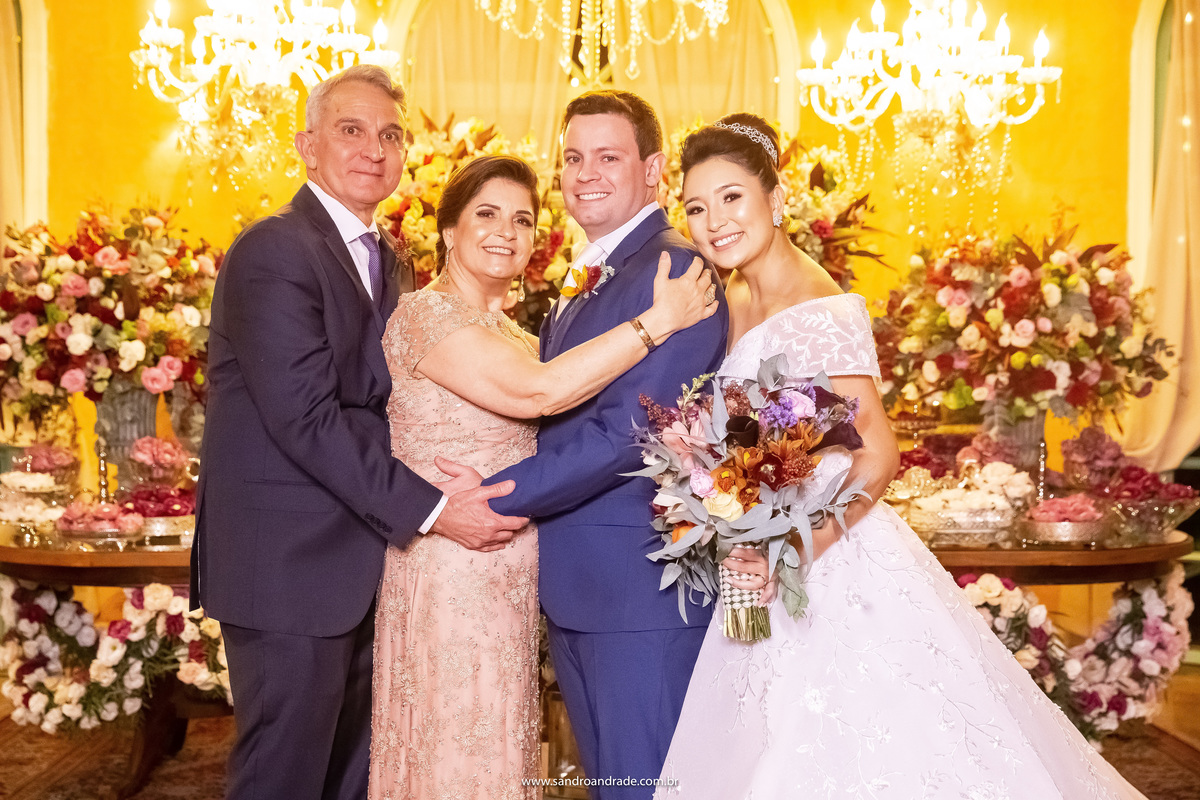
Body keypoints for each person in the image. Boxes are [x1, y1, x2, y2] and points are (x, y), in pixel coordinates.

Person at [652, 113, 1150, 799]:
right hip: (756, 544)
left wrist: (792, 549)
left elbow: (877, 457)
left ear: (778, 198)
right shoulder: (734, 295)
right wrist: (729, 511)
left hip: (828, 551)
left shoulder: (823, 306)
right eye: (698, 207)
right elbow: (746, 431)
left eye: (733, 197)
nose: (715, 222)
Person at [190, 66, 528, 800]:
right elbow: (305, 419)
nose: (374, 149)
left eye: (390, 135)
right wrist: (437, 508)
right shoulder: (273, 250)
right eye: (351, 130)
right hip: (286, 569)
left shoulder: (388, 259)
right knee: (283, 777)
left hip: (364, 560)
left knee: (350, 778)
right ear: (308, 146)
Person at [368, 154, 717, 797]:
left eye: (523, 218)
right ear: (448, 230)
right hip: (451, 565)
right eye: (487, 214)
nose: (506, 229)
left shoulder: (517, 333)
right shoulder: (425, 316)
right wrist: (658, 321)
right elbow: (539, 396)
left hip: (511, 572)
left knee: (502, 748)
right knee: (453, 747)